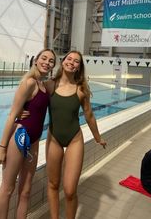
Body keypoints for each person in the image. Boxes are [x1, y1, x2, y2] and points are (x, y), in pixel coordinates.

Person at [44, 50, 106, 219]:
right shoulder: (50, 85)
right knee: (53, 184)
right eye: (69, 58)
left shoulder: (81, 90)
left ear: (79, 67)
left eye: (76, 61)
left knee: (70, 190)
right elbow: (33, 103)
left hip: (74, 139)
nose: (72, 62)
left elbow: (89, 115)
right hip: (54, 138)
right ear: (63, 61)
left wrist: (98, 138)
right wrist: (22, 115)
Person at [0, 48, 56, 219]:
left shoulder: (45, 85)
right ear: (36, 60)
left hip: (35, 140)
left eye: (51, 61)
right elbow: (12, 114)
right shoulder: (29, 83)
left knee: (26, 191)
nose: (47, 62)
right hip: (19, 137)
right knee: (8, 189)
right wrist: (2, 147)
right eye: (44, 58)